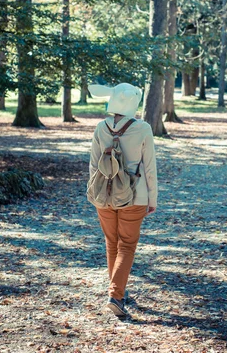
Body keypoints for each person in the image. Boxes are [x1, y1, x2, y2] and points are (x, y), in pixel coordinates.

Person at [88, 83, 158, 317]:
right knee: (126, 245)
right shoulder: (143, 128)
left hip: (104, 196)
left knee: (112, 243)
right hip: (134, 196)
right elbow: (149, 168)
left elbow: (93, 165)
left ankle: (116, 292)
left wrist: (96, 193)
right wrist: (152, 198)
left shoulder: (100, 127)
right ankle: (116, 296)